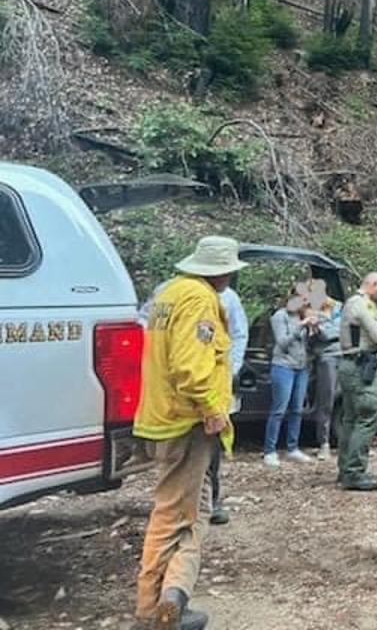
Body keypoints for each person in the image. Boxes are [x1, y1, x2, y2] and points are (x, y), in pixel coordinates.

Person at [133, 236, 247, 630]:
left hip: (164, 416)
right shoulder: (199, 300)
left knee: (190, 513)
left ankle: (171, 602)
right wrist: (213, 410)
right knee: (173, 516)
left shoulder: (169, 293)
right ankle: (152, 612)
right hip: (184, 423)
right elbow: (189, 367)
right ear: (223, 271)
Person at [338, 272, 377, 490]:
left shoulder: (352, 303)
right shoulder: (363, 305)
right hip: (362, 368)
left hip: (350, 364)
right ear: (372, 285)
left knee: (351, 418)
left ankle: (345, 469)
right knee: (368, 417)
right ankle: (354, 471)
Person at [263, 286, 320, 467]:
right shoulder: (279, 317)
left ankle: (292, 447)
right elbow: (282, 342)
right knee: (279, 409)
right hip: (283, 366)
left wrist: (314, 329)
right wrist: (300, 327)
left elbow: (309, 344)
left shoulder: (302, 316)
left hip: (301, 367)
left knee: (297, 409)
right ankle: (269, 450)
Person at [208, 282, 248, 525]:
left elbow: (239, 333)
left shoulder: (228, 298)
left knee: (210, 448)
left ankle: (211, 501)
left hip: (213, 386)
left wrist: (231, 369)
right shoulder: (170, 292)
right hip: (178, 390)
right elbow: (144, 323)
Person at [307, 280, 342, 461]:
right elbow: (314, 338)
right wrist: (319, 329)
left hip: (345, 354)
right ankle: (324, 443)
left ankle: (349, 441)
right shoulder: (309, 312)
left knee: (347, 398)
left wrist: (321, 327)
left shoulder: (339, 307)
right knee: (325, 399)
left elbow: (340, 330)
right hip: (325, 358)